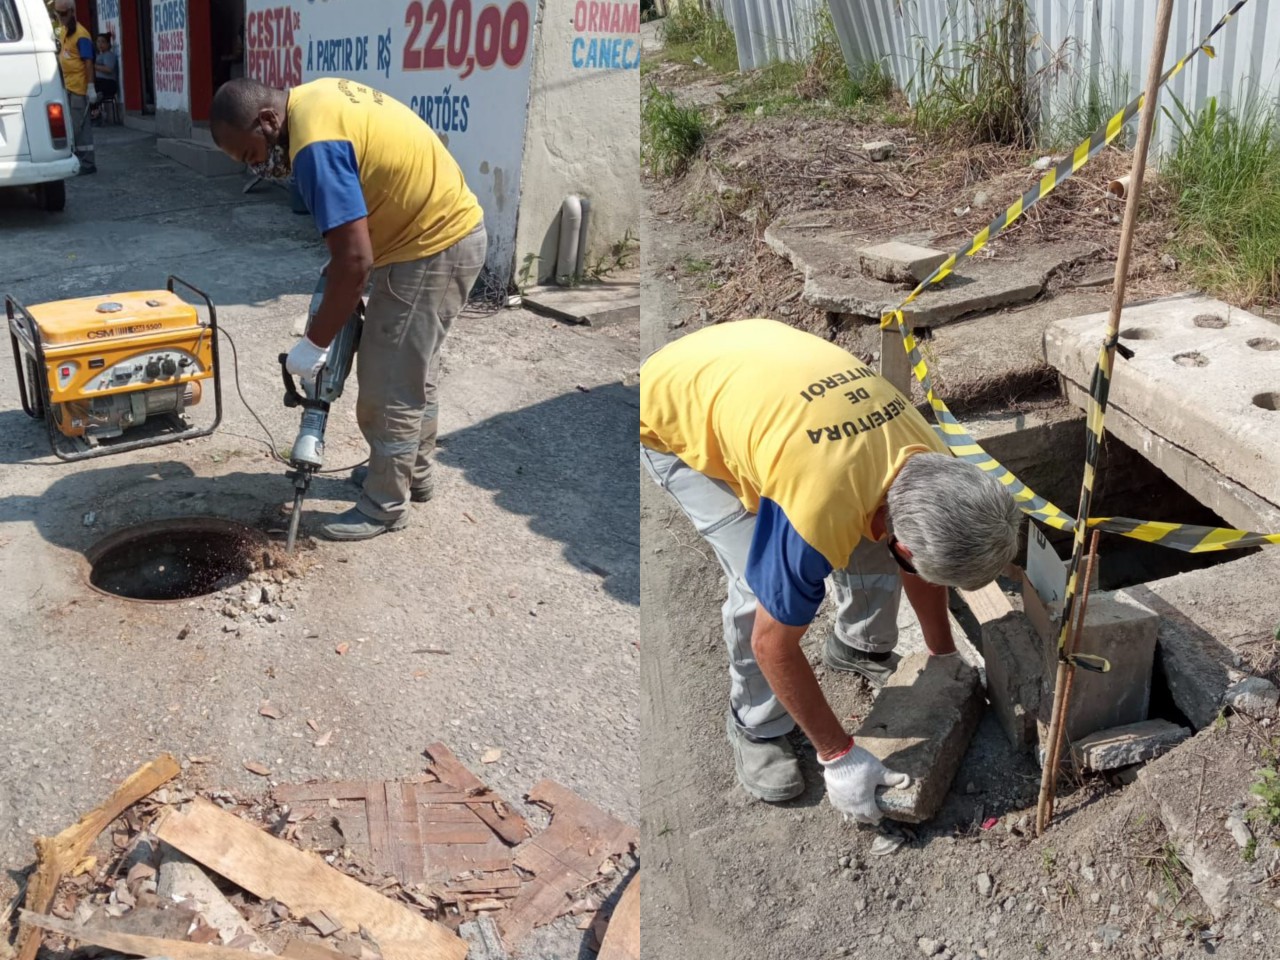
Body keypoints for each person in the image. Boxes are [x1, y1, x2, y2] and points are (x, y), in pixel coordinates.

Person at [640, 319, 1022, 823]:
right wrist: (838, 755)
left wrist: (941, 655)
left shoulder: (934, 463)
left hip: (757, 367)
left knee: (863, 539)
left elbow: (910, 560)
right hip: (670, 403)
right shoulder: (816, 506)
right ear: (906, 543)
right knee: (759, 593)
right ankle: (756, 724)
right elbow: (771, 642)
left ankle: (856, 647)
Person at [209, 77, 487, 541]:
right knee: (414, 369)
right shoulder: (316, 99)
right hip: (439, 235)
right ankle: (408, 473)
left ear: (267, 120)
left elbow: (355, 263)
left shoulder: (315, 146)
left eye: (252, 154)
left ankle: (385, 504)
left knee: (387, 382)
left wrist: (315, 343)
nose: (258, 167)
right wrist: (341, 275)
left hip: (431, 245)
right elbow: (350, 247)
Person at [53, 0, 96, 174]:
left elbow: (88, 62)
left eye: (63, 14)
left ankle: (88, 164)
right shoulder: (65, 32)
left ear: (72, 12)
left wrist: (90, 86)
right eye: (57, 14)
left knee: (81, 127)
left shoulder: (81, 35)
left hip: (79, 87)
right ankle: (78, 159)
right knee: (73, 127)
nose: (60, 18)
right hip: (68, 86)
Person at [92, 34, 118, 122]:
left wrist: (93, 66)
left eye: (103, 42)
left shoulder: (109, 55)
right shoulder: (98, 55)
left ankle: (96, 113)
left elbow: (109, 69)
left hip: (108, 83)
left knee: (94, 89)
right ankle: (95, 112)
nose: (100, 44)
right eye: (98, 42)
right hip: (99, 82)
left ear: (108, 44)